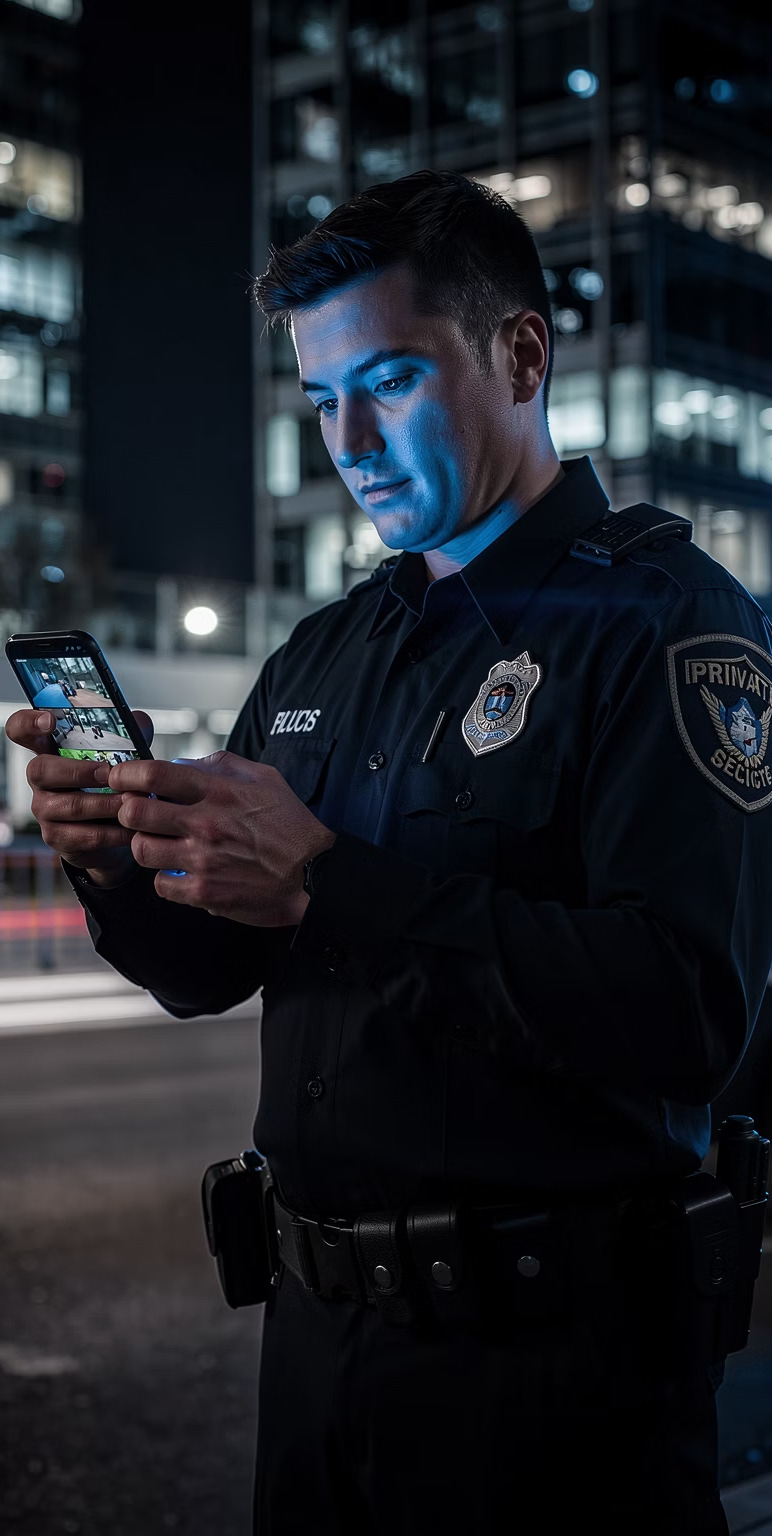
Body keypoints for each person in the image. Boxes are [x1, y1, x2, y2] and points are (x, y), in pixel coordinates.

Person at [7, 169, 772, 1536]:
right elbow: (211, 969)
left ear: (523, 353)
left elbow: (687, 1011)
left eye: (393, 382)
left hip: (552, 1389)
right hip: (315, 1358)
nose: (347, 440)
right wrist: (114, 856)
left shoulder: (668, 623)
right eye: (319, 399)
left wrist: (329, 880)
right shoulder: (326, 651)